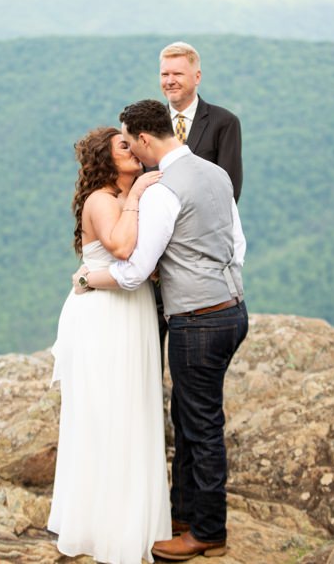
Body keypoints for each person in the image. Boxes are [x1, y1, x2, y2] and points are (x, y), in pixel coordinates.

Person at [73, 100, 248, 560]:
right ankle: (184, 514)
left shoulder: (164, 190)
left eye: (131, 142)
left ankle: (207, 530)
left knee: (202, 427)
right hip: (232, 308)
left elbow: (134, 270)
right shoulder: (215, 174)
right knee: (190, 420)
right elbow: (238, 243)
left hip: (196, 318)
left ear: (145, 140)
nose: (131, 149)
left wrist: (89, 279)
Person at [46, 127, 170, 562]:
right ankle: (105, 530)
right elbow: (119, 247)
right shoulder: (102, 199)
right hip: (102, 315)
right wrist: (135, 197)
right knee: (108, 413)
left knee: (134, 410)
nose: (133, 148)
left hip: (132, 310)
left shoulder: (132, 192)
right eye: (123, 145)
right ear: (106, 158)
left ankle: (133, 522)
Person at [160, 42, 243, 202]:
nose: (170, 81)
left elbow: (229, 187)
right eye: (164, 75)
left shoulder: (224, 122)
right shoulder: (149, 124)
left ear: (197, 77)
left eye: (177, 74)